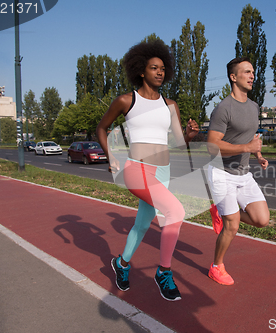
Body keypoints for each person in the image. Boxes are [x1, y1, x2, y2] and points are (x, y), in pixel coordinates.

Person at [96, 40, 199, 301]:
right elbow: (101, 128)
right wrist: (111, 156)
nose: (160, 72)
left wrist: (189, 135)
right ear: (141, 71)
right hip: (136, 169)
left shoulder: (171, 105)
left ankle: (121, 263)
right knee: (175, 211)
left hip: (162, 171)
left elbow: (178, 144)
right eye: (154, 68)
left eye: (163, 68)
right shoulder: (126, 101)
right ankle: (164, 272)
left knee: (142, 224)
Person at [206, 57, 270, 285]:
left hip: (244, 173)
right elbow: (212, 145)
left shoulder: (254, 107)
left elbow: (251, 137)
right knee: (232, 225)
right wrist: (246, 147)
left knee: (262, 220)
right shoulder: (223, 108)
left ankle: (222, 211)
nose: (252, 75)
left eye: (253, 71)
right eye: (246, 72)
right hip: (221, 173)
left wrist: (258, 155)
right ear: (233, 77)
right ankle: (216, 266)